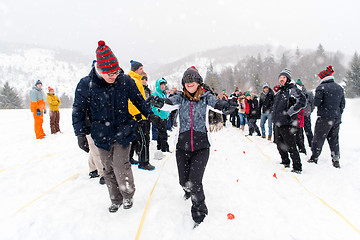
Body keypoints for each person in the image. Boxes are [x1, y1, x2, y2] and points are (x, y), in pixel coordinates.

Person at [72, 40, 159, 212]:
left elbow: (138, 101)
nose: (113, 76)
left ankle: (127, 195)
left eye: (116, 72)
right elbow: (78, 110)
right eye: (109, 73)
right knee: (107, 168)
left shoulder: (125, 81)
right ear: (99, 70)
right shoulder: (86, 84)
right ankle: (115, 198)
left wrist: (149, 114)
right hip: (100, 133)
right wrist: (80, 134)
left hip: (123, 130)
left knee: (120, 164)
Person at [147, 66, 237, 227]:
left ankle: (199, 214)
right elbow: (167, 104)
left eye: (193, 80)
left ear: (198, 82)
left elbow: (217, 104)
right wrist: (159, 102)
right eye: (187, 80)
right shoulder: (180, 98)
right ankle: (187, 190)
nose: (190, 83)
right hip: (182, 146)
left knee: (195, 182)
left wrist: (226, 106)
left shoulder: (206, 97)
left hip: (202, 147)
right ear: (183, 83)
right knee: (184, 181)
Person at [308, 66, 345, 168]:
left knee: (318, 138)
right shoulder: (339, 87)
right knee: (334, 139)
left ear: (323, 78)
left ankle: (314, 157)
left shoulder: (321, 87)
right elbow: (342, 104)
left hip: (324, 118)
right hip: (336, 118)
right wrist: (337, 113)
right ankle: (336, 159)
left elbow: (316, 103)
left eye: (320, 77)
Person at [272, 68, 306, 174]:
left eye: (284, 77)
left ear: (288, 79)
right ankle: (285, 161)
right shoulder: (279, 91)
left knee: (291, 145)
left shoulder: (292, 89)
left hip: (288, 123)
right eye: (280, 77)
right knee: (279, 143)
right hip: (278, 122)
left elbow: (302, 101)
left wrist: (290, 112)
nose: (281, 79)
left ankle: (297, 167)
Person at [128, 60, 155, 170]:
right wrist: (138, 114)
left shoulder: (135, 80)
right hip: (138, 116)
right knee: (144, 139)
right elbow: (130, 101)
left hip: (138, 115)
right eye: (140, 69)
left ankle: (129, 158)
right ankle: (143, 162)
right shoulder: (133, 80)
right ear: (135, 70)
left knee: (134, 139)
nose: (142, 71)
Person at [150, 78, 170, 152]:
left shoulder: (163, 94)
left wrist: (167, 115)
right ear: (158, 85)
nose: (163, 86)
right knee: (163, 133)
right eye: (161, 85)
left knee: (161, 133)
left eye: (164, 85)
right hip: (159, 117)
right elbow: (153, 106)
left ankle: (160, 147)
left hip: (164, 116)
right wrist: (157, 115)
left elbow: (166, 105)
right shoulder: (155, 94)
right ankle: (164, 148)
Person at [295, 79, 315, 147]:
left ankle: (312, 144)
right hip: (298, 115)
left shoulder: (308, 93)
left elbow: (313, 104)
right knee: (299, 131)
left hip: (306, 115)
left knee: (308, 130)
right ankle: (301, 145)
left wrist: (309, 111)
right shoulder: (295, 93)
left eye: (299, 85)